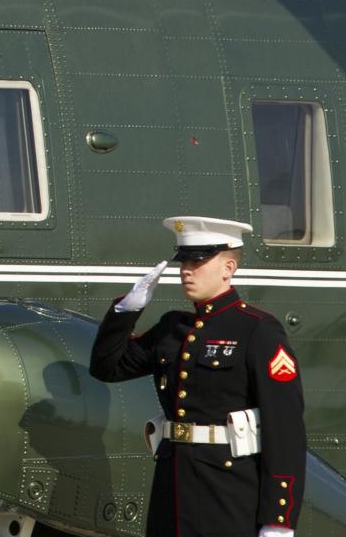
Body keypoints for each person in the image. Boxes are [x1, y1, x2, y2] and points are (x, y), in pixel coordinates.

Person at [90, 216, 305, 537]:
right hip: (172, 488)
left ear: (228, 268)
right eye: (184, 261)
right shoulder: (172, 328)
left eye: (199, 260)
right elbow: (107, 367)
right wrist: (127, 310)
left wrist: (278, 519)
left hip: (228, 492)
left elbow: (284, 429)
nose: (187, 270)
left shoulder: (256, 329)